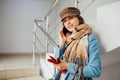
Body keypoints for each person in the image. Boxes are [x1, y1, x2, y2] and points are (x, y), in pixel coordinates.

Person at [52, 7, 101, 80]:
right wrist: (62, 43)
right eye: (65, 21)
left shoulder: (90, 39)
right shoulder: (69, 40)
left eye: (71, 18)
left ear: (79, 19)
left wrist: (67, 66)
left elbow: (95, 71)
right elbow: (57, 61)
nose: (68, 23)